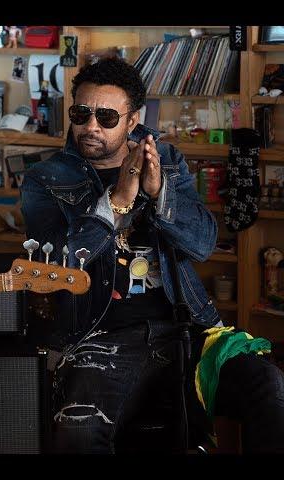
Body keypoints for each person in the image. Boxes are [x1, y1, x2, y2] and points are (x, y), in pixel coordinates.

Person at [20, 57, 284, 453]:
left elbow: (202, 243)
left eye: (107, 117)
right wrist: (116, 203)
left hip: (185, 327)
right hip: (100, 336)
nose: (91, 126)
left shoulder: (167, 159)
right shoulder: (46, 179)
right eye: (81, 113)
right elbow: (55, 264)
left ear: (132, 119)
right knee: (78, 433)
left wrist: (161, 194)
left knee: (269, 385)